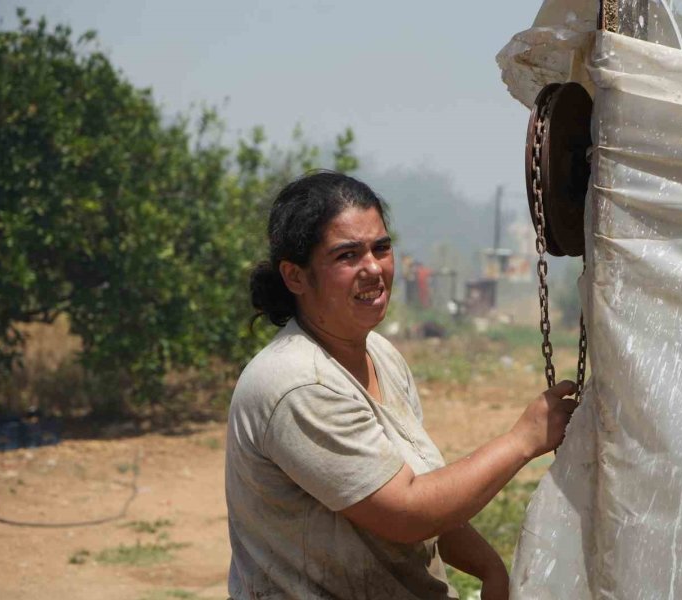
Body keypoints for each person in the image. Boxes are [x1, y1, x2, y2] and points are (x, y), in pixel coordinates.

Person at [226, 171, 577, 600]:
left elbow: (427, 496)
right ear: (295, 276)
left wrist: (489, 568)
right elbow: (409, 512)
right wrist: (523, 440)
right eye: (347, 255)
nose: (373, 268)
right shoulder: (297, 384)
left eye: (381, 248)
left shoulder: (379, 354)